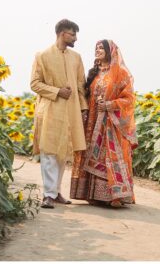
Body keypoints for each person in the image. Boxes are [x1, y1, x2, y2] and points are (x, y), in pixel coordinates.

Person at [71, 39, 137, 207]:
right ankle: (93, 194)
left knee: (109, 156)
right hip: (92, 122)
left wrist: (110, 105)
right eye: (96, 48)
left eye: (101, 48)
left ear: (110, 52)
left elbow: (129, 98)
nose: (98, 50)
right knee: (91, 154)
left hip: (111, 124)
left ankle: (115, 196)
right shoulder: (93, 73)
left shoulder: (120, 73)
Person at [30, 19, 88, 209]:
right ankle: (48, 194)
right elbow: (35, 84)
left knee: (63, 153)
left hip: (71, 111)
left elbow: (80, 85)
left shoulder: (76, 57)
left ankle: (55, 193)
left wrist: (84, 108)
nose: (76, 39)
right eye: (73, 34)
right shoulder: (43, 55)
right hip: (50, 110)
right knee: (49, 151)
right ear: (63, 33)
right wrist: (57, 91)